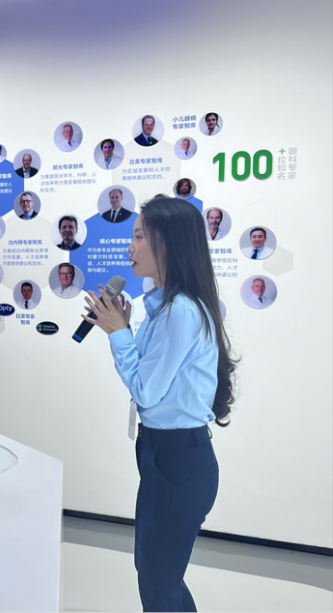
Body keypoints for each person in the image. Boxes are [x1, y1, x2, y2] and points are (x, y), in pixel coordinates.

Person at [81, 196, 236, 613]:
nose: (130, 247)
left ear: (167, 243)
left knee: (158, 581)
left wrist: (118, 333)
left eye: (138, 237)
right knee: (159, 577)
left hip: (178, 460)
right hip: (165, 456)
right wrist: (123, 328)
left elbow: (146, 392)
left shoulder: (179, 311)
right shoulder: (166, 308)